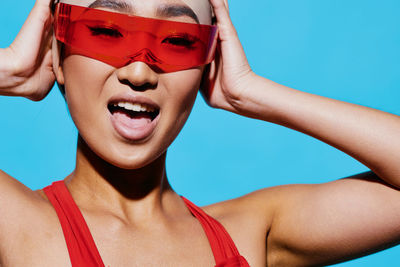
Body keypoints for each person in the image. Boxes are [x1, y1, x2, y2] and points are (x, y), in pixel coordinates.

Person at [0, 0, 399, 266]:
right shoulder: (14, 222)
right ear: (56, 54)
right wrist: (10, 66)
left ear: (209, 63)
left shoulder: (250, 232)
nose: (139, 72)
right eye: (105, 31)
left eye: (178, 41)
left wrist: (252, 92)